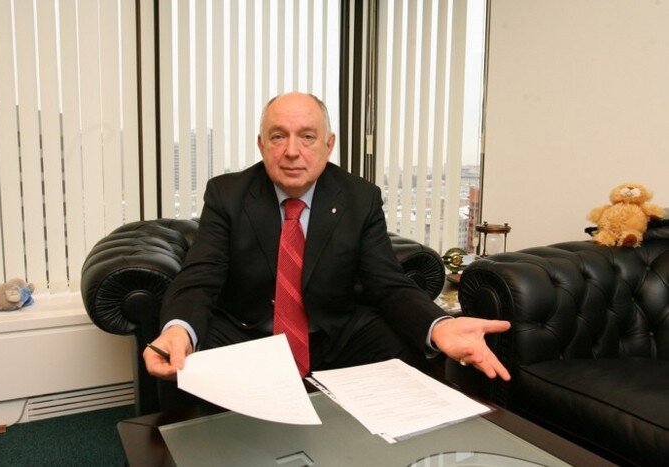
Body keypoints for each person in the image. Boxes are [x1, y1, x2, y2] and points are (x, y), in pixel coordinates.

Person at [144, 92, 510, 397]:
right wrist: (178, 330)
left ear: (328, 144)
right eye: (278, 136)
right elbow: (200, 275)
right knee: (189, 355)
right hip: (247, 332)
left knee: (405, 350)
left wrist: (439, 325)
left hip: (333, 332)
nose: (292, 151)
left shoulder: (359, 197)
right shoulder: (227, 194)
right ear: (261, 144)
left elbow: (388, 283)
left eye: (307, 136)